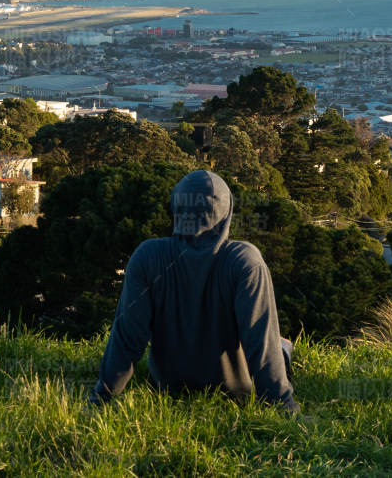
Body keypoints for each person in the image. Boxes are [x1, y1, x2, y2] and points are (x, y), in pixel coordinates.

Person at [89, 169, 298, 411]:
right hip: (235, 391)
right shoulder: (244, 261)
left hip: (169, 384)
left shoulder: (148, 256)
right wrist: (284, 407)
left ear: (177, 207)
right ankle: (286, 347)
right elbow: (260, 342)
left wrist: (100, 397)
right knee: (281, 345)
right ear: (227, 211)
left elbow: (127, 337)